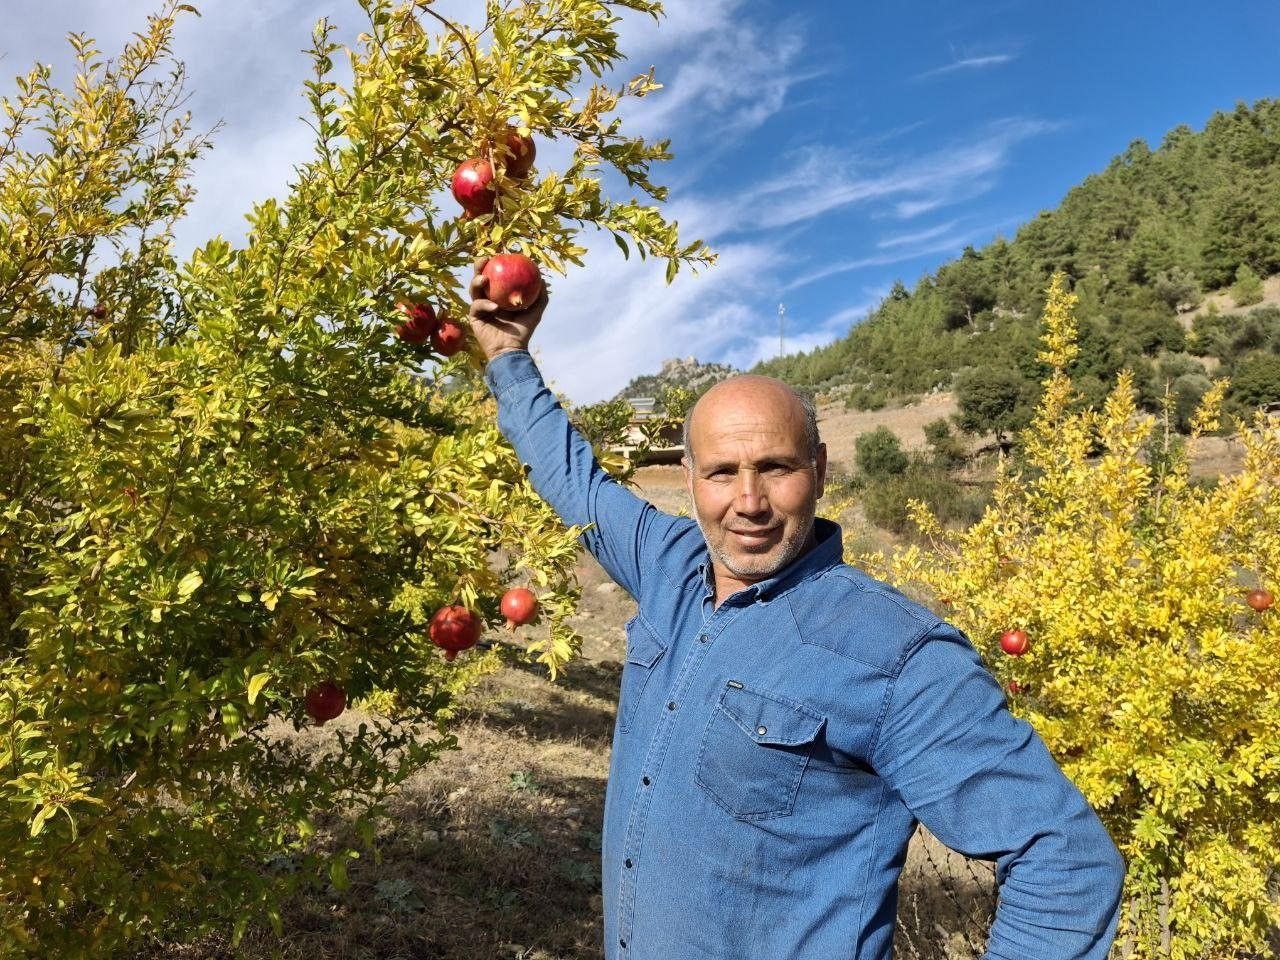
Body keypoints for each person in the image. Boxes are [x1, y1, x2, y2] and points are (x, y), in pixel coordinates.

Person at [468, 260, 1125, 960]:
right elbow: (574, 480)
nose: (748, 502)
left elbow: (1067, 864)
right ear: (688, 478)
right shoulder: (667, 564)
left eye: (776, 468)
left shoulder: (897, 655)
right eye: (722, 472)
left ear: (820, 467)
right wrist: (509, 356)